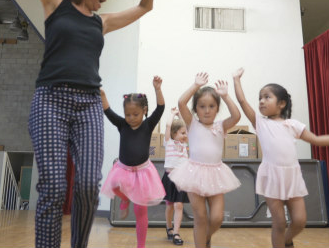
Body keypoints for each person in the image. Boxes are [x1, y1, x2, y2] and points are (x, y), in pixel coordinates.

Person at [0, 0, 158, 248]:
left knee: (86, 185)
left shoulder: (101, 22)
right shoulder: (56, 5)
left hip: (87, 104)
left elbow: (143, 9)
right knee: (53, 186)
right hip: (50, 100)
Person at [232, 68, 329, 248]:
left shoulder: (293, 125)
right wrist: (236, 80)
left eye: (267, 97)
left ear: (281, 104)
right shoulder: (260, 123)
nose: (262, 101)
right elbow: (242, 101)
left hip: (292, 177)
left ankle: (287, 240)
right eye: (260, 98)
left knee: (300, 220)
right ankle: (281, 241)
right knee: (279, 223)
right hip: (272, 176)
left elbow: (316, 140)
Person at [169, 72, 241, 248]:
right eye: (202, 106)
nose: (207, 110)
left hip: (216, 173)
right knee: (200, 216)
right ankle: (201, 243)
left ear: (217, 108)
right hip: (194, 173)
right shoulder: (192, 124)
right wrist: (195, 85)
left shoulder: (221, 126)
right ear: (196, 109)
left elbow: (237, 116)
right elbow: (181, 102)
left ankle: (206, 236)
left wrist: (225, 95)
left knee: (216, 218)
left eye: (211, 106)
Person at [100, 76, 166, 248]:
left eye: (135, 114)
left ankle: (141, 245)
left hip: (143, 172)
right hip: (123, 168)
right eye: (127, 114)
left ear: (144, 111)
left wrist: (157, 89)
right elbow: (108, 112)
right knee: (113, 185)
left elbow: (160, 108)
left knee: (140, 210)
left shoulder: (148, 125)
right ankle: (124, 200)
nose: (131, 118)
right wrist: (103, 96)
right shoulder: (122, 125)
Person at [162, 107, 189, 245]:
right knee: (170, 205)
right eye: (182, 133)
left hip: (181, 179)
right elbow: (168, 125)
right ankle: (169, 227)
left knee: (179, 205)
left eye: (186, 133)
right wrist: (172, 114)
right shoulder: (169, 143)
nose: (185, 135)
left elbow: (188, 126)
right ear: (174, 133)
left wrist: (181, 116)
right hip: (169, 178)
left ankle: (176, 232)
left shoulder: (185, 145)